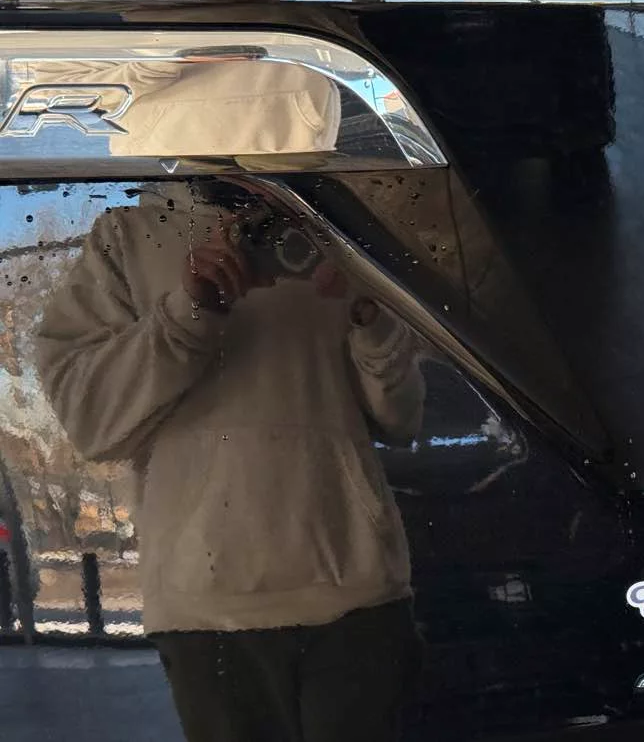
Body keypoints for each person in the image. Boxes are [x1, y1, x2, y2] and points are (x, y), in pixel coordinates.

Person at [34, 178, 425, 742]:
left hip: (357, 594)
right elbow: (90, 418)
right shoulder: (126, 235)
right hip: (207, 609)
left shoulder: (332, 225)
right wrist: (190, 311)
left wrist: (371, 313)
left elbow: (402, 418)